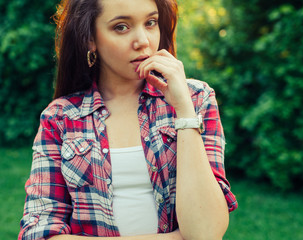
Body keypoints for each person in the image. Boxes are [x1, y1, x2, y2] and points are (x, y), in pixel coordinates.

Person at [18, 0, 238, 239]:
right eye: (121, 27)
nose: (143, 41)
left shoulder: (196, 99)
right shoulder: (60, 119)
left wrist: (184, 111)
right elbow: (38, 233)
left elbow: (206, 233)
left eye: (150, 22)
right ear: (90, 38)